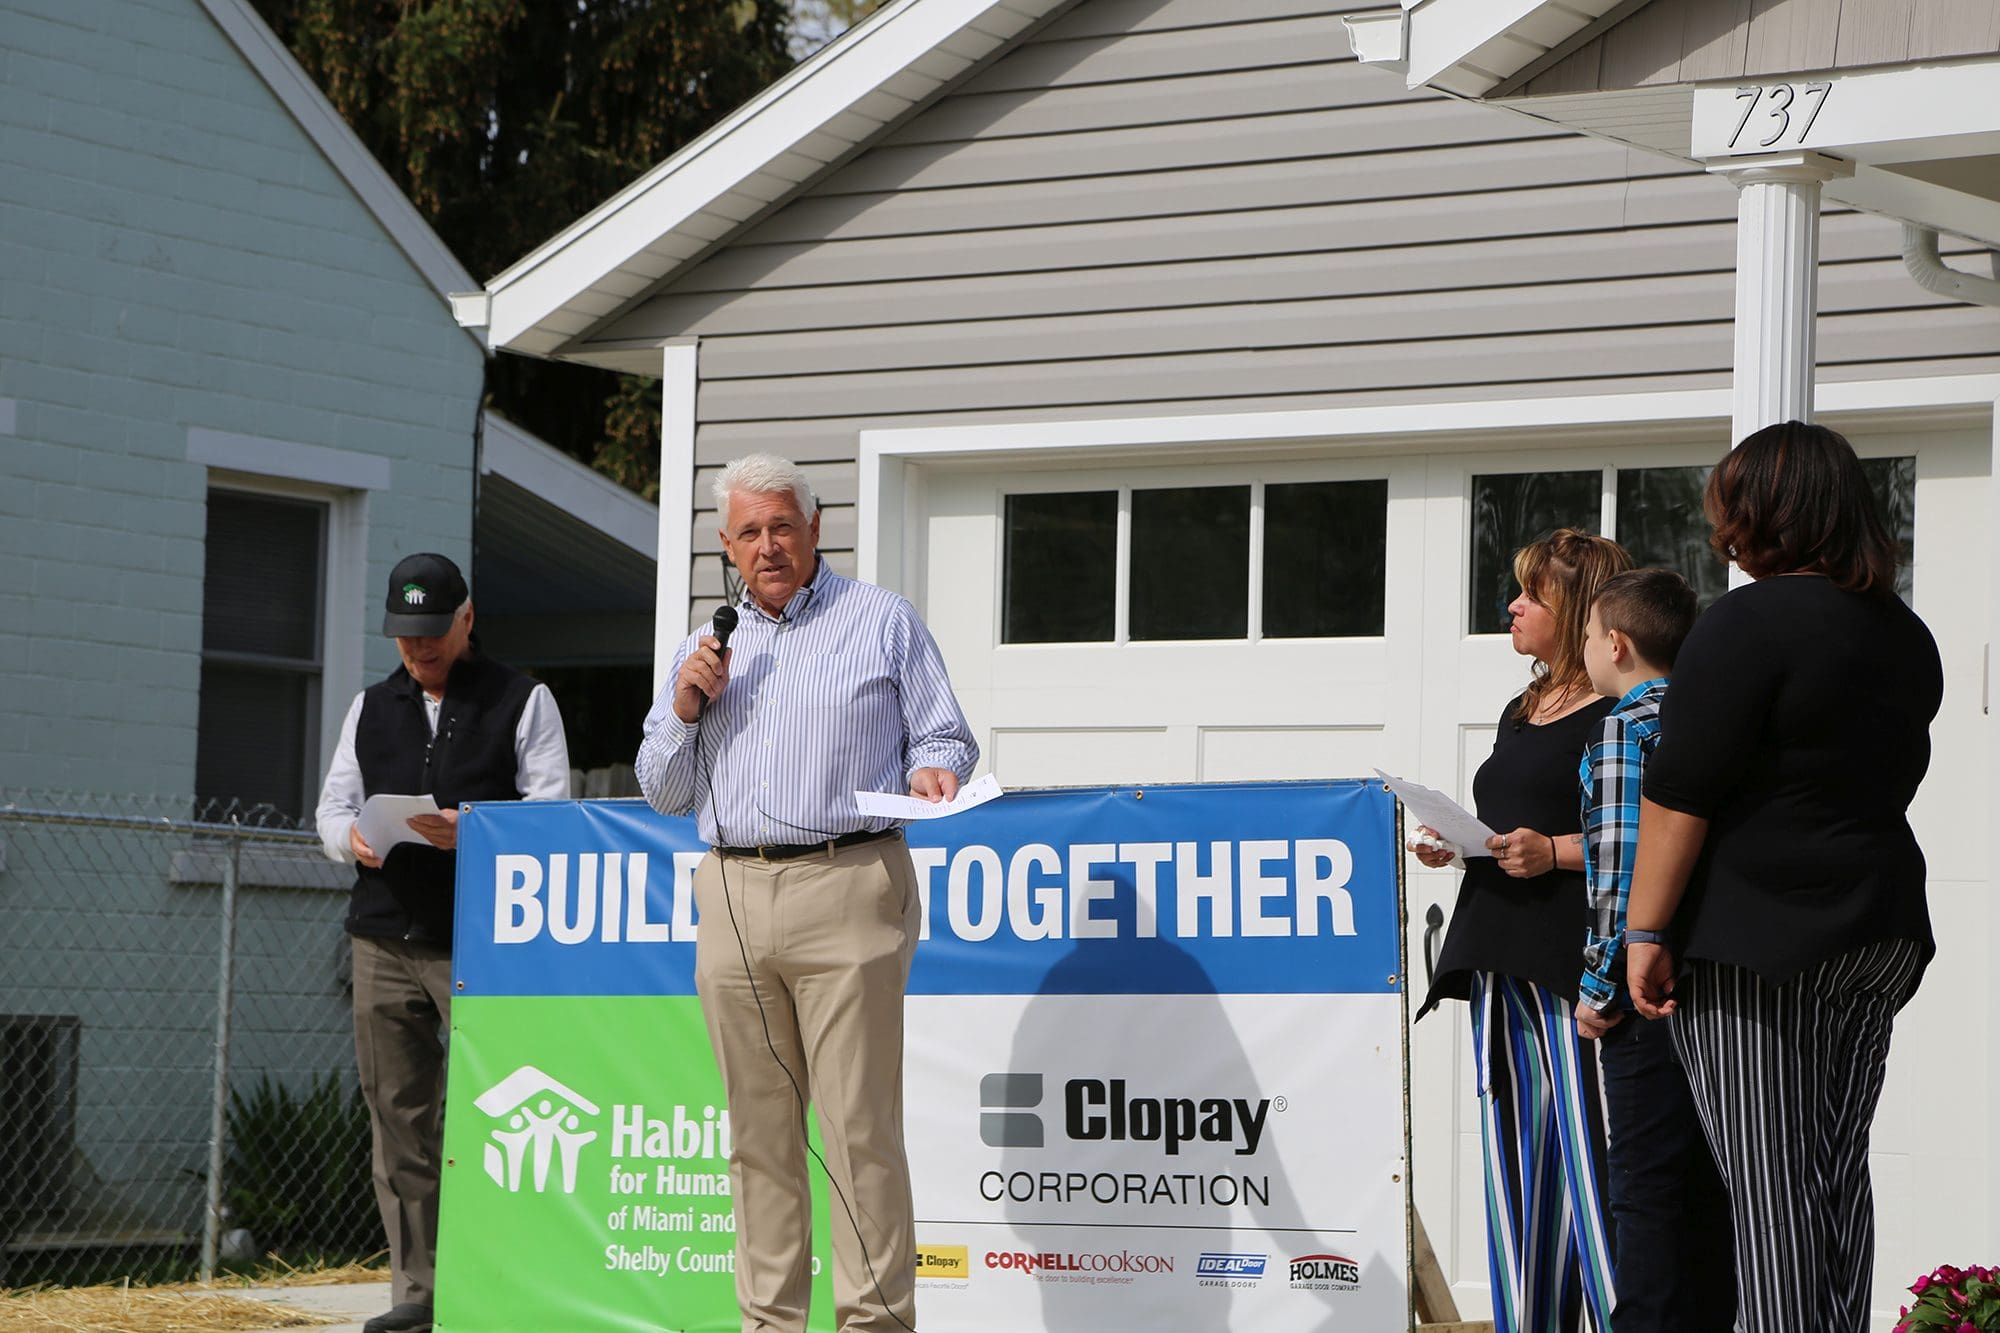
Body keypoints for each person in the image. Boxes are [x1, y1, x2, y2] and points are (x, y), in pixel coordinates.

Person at [636, 453, 976, 1333]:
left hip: (849, 882)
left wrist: (936, 765)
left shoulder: (881, 621)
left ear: (815, 528)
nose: (768, 545)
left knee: (860, 1132)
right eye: (748, 532)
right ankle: (770, 1323)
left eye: (781, 526)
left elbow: (944, 731)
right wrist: (682, 707)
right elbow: (663, 791)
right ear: (726, 546)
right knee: (759, 1140)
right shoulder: (705, 647)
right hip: (734, 892)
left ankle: (873, 1322)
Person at [1626, 421, 1942, 1333]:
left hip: (1760, 940)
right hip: (1877, 929)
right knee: (1835, 1175)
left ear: (1762, 509)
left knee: (1771, 1188)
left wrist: (1644, 930)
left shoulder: (1745, 622)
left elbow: (1681, 792)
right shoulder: (1903, 633)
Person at [315, 552, 570, 1333]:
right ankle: (419, 1296)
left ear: (466, 618)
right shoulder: (369, 706)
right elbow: (332, 807)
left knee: (496, 1118)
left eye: (431, 632)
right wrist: (349, 842)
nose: (418, 648)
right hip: (383, 936)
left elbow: (553, 811)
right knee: (399, 1122)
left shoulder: (523, 699)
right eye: (404, 634)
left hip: (484, 941)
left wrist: (480, 831)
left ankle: (504, 1283)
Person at [1412, 527, 1629, 1333]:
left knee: (1587, 1165)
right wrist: (1461, 845)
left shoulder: (1619, 711)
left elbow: (1640, 830)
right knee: (1514, 1170)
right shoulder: (1523, 706)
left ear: (1574, 609)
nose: (1514, 605)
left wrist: (1556, 851)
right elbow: (1515, 828)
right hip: (1500, 956)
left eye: (1532, 593)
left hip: (1576, 968)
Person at [1571, 569, 1734, 1333]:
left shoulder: (1625, 726)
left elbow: (1622, 864)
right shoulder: (1718, 715)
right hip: (1721, 983)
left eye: (1588, 637)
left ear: (1618, 643)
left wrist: (1599, 982)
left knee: (1642, 1187)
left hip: (1643, 994)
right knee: (1708, 1189)